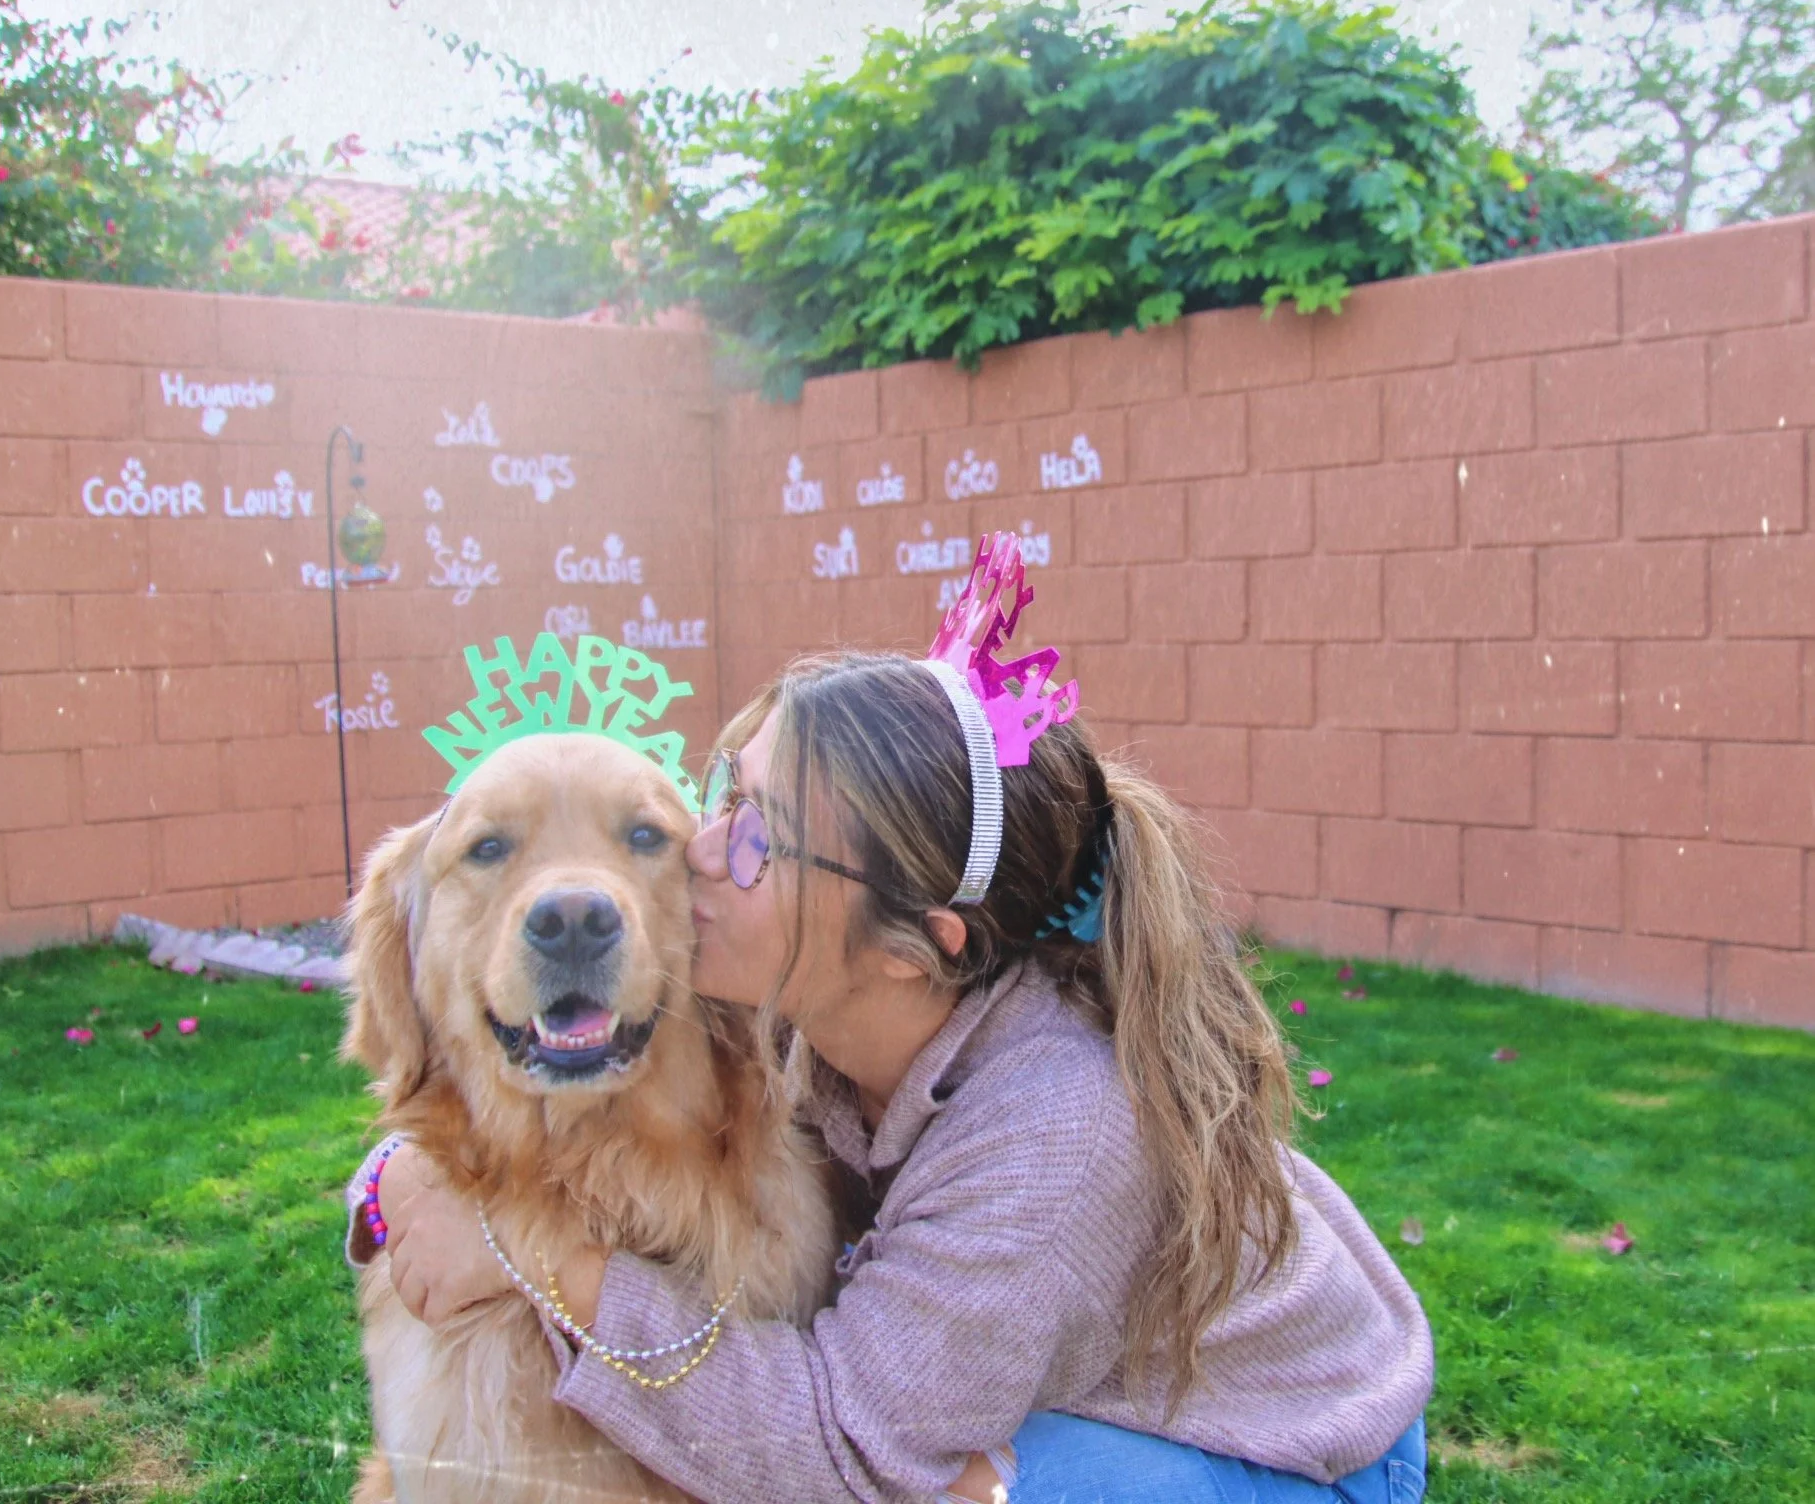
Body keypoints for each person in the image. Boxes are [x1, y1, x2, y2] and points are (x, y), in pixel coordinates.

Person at [353, 537, 1434, 1503]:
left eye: (759, 837)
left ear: (911, 946)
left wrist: (531, 1255)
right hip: (1022, 1357)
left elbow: (840, 1453)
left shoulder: (1053, 1134)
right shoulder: (787, 1007)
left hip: (1279, 1451)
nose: (696, 848)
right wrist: (396, 1181)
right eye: (724, 794)